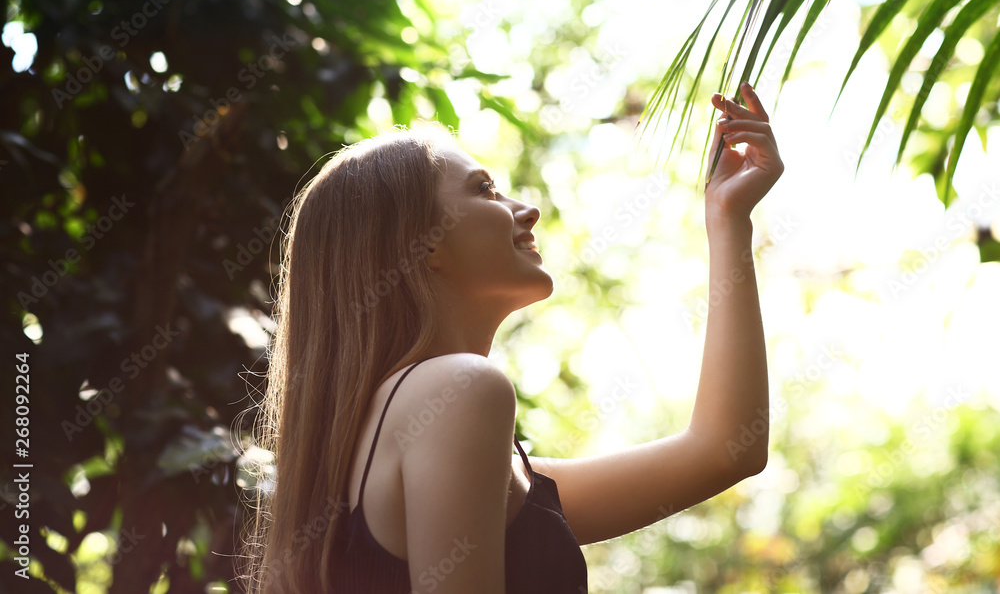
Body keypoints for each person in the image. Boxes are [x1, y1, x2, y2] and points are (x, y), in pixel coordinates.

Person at [239, 80, 784, 594]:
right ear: (422, 244)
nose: (528, 210)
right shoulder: (458, 388)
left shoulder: (397, 436)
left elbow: (726, 450)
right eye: (485, 190)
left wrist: (728, 216)